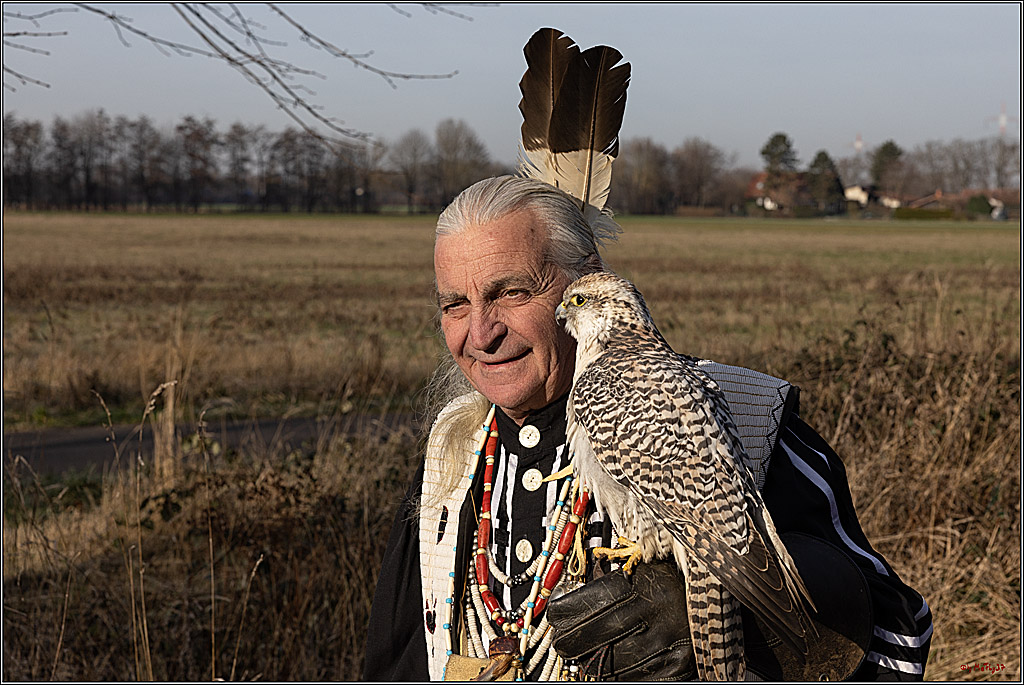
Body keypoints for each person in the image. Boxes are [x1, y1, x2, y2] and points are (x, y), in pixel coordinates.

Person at [363, 175, 933, 681]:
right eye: (454, 305)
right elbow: (395, 667)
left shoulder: (743, 417)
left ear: (586, 284)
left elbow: (898, 643)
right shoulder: (451, 461)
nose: (480, 333)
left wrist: (744, 621)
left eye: (512, 292)